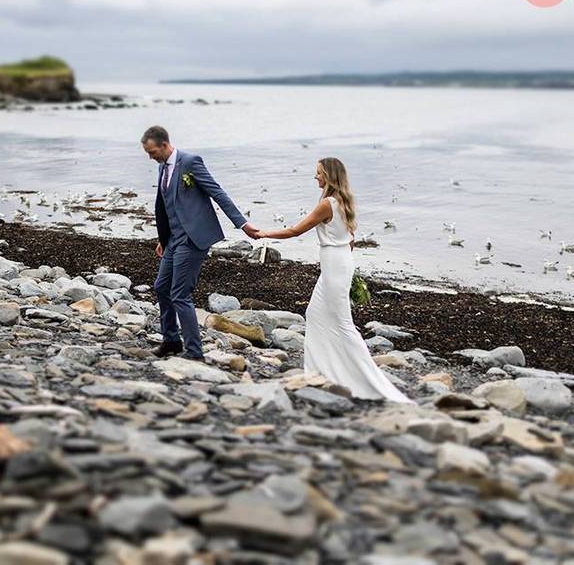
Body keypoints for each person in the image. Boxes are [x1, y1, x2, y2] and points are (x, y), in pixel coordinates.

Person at [257, 157, 412, 402]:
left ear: (329, 176)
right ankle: (320, 371)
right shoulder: (343, 201)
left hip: (334, 265)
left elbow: (296, 230)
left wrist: (264, 233)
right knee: (315, 314)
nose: (315, 177)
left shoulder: (328, 204)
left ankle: (367, 378)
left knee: (342, 324)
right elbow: (350, 240)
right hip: (339, 263)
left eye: (318, 173)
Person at [141, 125, 259, 361]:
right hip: (173, 239)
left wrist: (243, 224)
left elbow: (217, 192)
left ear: (164, 145)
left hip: (193, 239)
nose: (150, 157)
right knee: (161, 287)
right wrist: (163, 239)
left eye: (152, 152)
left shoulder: (190, 162)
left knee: (180, 294)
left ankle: (194, 352)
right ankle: (172, 341)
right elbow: (165, 206)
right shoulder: (163, 167)